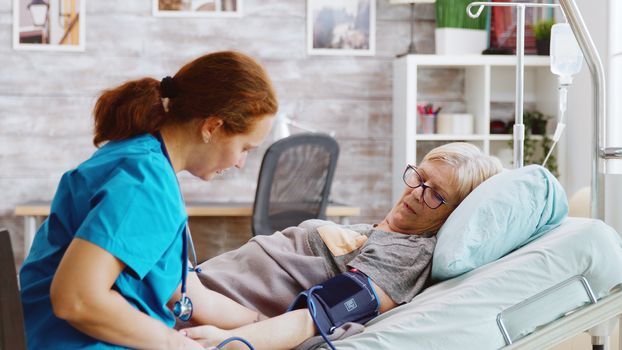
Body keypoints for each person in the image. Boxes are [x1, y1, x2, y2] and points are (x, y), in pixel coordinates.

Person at [19, 51, 278, 349]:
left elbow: (190, 295)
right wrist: (176, 345)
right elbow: (76, 299)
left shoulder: (140, 156)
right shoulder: (146, 186)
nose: (241, 163)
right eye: (245, 147)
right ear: (212, 127)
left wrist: (262, 323)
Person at [180, 142, 504, 350]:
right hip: (191, 286)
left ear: (455, 212)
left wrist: (231, 341)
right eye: (420, 178)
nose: (417, 193)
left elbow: (317, 316)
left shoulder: (407, 254)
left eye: (436, 195)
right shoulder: (380, 230)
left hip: (193, 308)